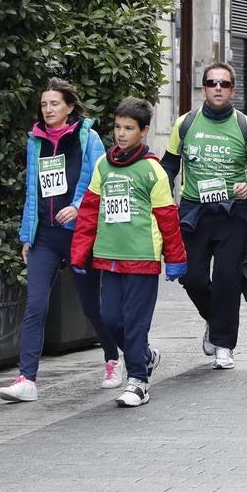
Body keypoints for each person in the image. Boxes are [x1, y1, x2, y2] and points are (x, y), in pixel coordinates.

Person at [0, 79, 122, 403]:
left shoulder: (87, 137)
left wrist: (78, 207)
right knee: (35, 304)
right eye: (44, 105)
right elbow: (31, 190)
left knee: (92, 306)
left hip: (79, 234)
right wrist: (27, 235)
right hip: (46, 236)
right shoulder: (35, 142)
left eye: (54, 104)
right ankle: (27, 379)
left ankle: (113, 358)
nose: (48, 110)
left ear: (69, 106)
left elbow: (100, 181)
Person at [70, 97, 186, 408]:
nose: (121, 134)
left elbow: (167, 217)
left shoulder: (153, 171)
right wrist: (80, 253)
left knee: (134, 322)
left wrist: (175, 259)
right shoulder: (103, 165)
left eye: (129, 128)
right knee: (109, 320)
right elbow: (90, 212)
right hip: (108, 257)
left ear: (144, 131)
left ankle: (138, 381)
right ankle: (145, 356)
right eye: (118, 127)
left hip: (142, 259)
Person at [161, 62, 247, 369]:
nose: (217, 87)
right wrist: (161, 196)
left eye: (224, 83)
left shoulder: (246, 126)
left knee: (226, 280)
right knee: (191, 277)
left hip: (231, 213)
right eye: (212, 82)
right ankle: (214, 317)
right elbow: (168, 166)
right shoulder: (185, 123)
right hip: (193, 213)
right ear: (204, 88)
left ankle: (224, 344)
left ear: (233, 90)